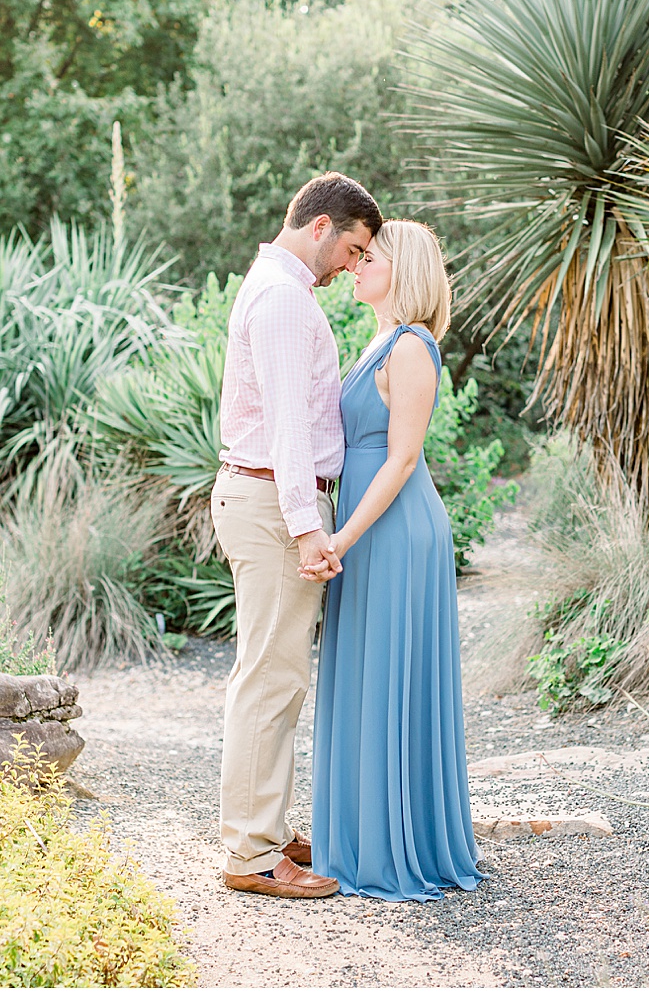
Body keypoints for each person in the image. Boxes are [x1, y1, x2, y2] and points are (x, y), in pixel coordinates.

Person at [211, 172, 381, 899]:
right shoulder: (282, 299)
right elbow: (285, 425)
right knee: (270, 678)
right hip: (272, 501)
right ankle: (251, 854)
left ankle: (269, 830)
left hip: (263, 497)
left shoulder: (283, 291)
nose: (352, 264)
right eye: (352, 246)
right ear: (320, 227)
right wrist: (309, 528)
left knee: (276, 674)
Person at [305, 220, 483, 901]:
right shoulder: (376, 341)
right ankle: (357, 836)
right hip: (364, 525)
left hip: (394, 530)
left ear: (400, 270)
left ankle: (394, 844)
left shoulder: (412, 345)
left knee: (390, 678)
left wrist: (342, 538)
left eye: (367, 257)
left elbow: (403, 456)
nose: (355, 265)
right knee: (363, 676)